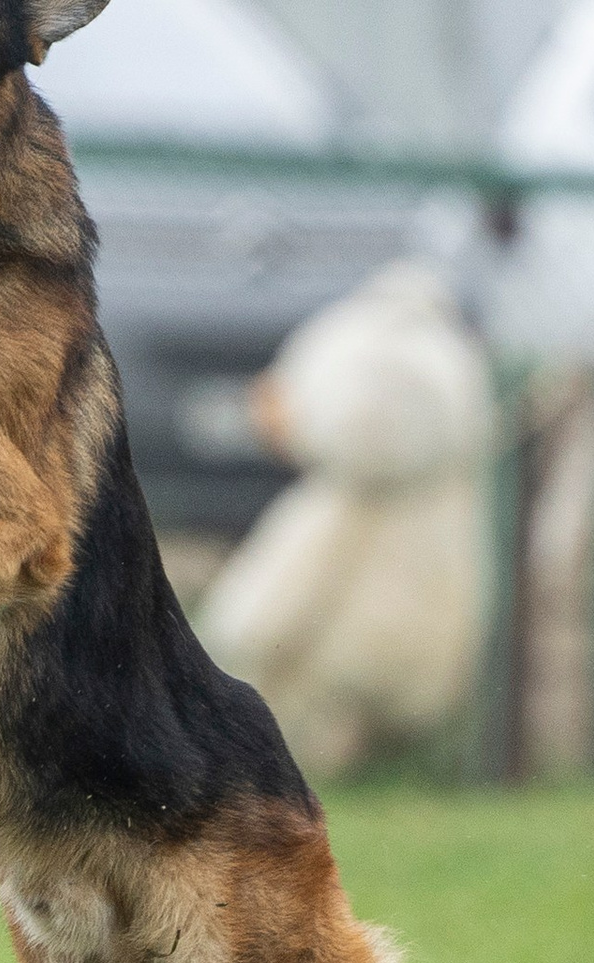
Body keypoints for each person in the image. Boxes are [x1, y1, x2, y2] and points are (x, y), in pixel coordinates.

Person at [196, 261, 494, 778]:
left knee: (291, 643)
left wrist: (296, 426)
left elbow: (291, 414)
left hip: (365, 511)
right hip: (419, 526)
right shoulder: (452, 359)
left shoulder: (338, 341)